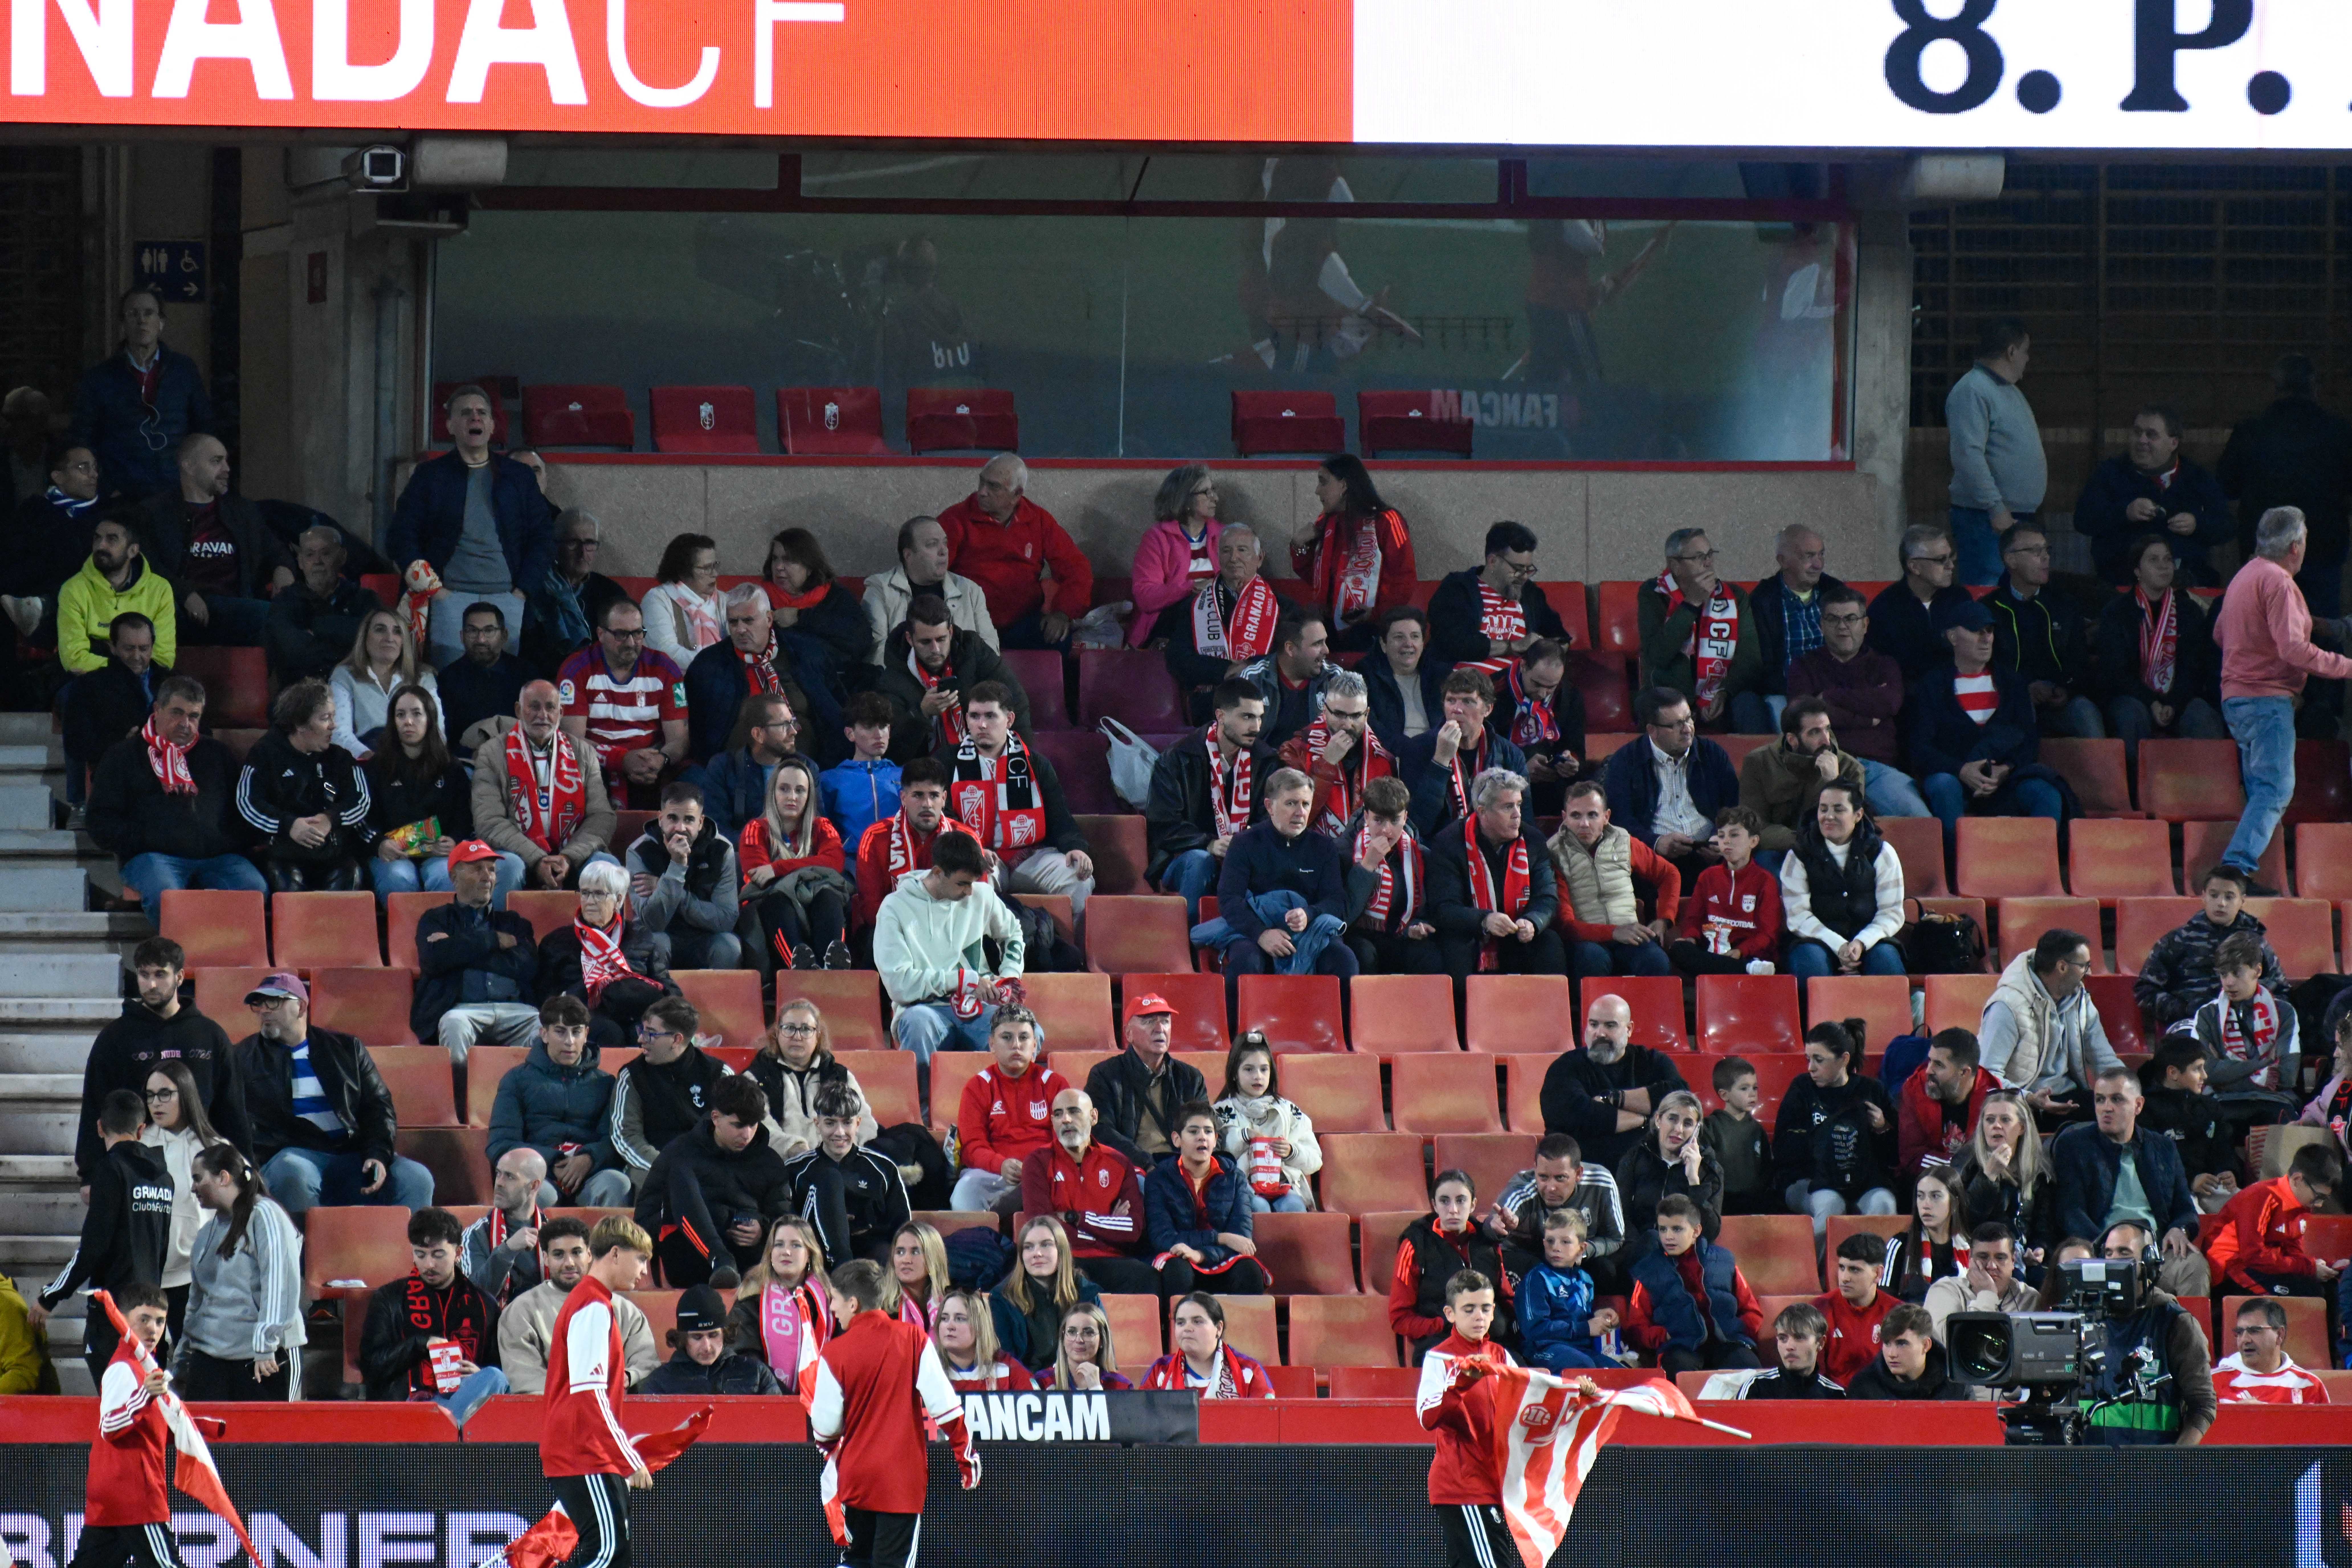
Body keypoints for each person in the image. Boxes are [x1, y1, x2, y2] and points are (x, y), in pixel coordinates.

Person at [812, 1257, 983, 1568]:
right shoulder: (914, 1338)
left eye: (834, 1300)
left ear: (853, 1303)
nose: (832, 1309)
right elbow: (945, 1406)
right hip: (900, 1483)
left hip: (855, 1479)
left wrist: (832, 1447)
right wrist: (966, 1456)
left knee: (856, 1558)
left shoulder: (834, 1352)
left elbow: (823, 1428)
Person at [2216, 507, 2352, 887]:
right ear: (2297, 546)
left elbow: (2220, 634)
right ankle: (2235, 870)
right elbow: (2294, 650)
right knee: (2275, 789)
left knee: (2262, 790)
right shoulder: (2279, 583)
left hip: (2237, 699)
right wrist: (2347, 666)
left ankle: (2238, 871)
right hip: (2266, 700)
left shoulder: (2245, 576)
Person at [231, 971, 433, 1217]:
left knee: (418, 1179)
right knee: (292, 1172)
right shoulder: (242, 1058)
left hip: (351, 1153)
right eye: (259, 1003)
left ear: (301, 1007)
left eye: (273, 1002)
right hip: (291, 1154)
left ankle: (408, 1254)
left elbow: (378, 1105)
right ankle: (308, 1254)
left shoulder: (347, 1049)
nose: (264, 1010)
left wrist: (378, 1154)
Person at [387, 385, 554, 666]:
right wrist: (434, 590)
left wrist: (523, 591)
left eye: (482, 413)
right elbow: (400, 538)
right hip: (448, 599)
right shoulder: (430, 476)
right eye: (466, 413)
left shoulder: (519, 477)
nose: (475, 418)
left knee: (504, 685)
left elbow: (544, 537)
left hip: (509, 598)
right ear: (450, 426)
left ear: (492, 425)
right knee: (452, 684)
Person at [74, 937, 249, 1196]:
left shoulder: (210, 1036)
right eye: (144, 975)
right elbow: (95, 1106)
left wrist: (246, 1167)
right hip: (136, 1164)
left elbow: (232, 1108)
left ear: (180, 977)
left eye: (160, 974)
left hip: (204, 1163)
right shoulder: (115, 1038)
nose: (151, 984)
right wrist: (89, 1174)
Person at [537, 1217, 658, 1568]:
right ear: (616, 1253)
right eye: (641, 1259)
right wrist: (628, 1457)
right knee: (607, 1552)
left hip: (588, 1450)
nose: (645, 1271)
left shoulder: (592, 1302)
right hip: (585, 1451)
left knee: (613, 1553)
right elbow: (590, 1396)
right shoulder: (592, 1306)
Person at [1415, 1268, 1552, 1568]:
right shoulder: (1439, 1357)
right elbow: (1427, 1416)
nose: (1479, 1316)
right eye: (1469, 1309)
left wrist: (1577, 1395)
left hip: (1493, 1483)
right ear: (1450, 1313)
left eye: (1486, 1308)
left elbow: (1533, 1401)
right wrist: (1463, 1380)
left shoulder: (1501, 1355)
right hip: (1463, 1486)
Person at [1906, 595, 2068, 846]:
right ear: (1952, 637)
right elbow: (1919, 747)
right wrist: (1961, 770)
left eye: (1989, 631)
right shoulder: (1932, 685)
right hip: (1954, 778)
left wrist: (2006, 770)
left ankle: (2037, 870)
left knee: (2046, 794)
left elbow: (2029, 738)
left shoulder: (2012, 683)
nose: (1986, 638)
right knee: (1943, 786)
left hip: (2003, 780)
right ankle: (1958, 872)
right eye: (1976, 631)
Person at [36, 1089, 170, 1380]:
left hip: (114, 1312)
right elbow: (162, 1248)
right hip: (151, 1311)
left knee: (116, 1407)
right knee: (140, 1404)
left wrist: (50, 1296)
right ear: (141, 1129)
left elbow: (93, 1247)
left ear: (100, 1127)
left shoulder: (111, 1170)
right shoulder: (164, 1177)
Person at [2053, 1066, 2215, 1299]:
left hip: (2155, 1251)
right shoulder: (2074, 1146)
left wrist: (2179, 1229)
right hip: (2102, 1250)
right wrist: (2105, 1248)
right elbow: (2070, 1211)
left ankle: (2190, 1335)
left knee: (2194, 1266)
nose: (2106, 1108)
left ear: (2138, 1105)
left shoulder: (2163, 1148)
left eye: (2117, 1100)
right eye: (2100, 1100)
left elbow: (2185, 1208)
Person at [1212, 765, 1357, 1012]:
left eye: (1306, 804)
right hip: (1256, 930)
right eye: (1291, 804)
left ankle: (1340, 1037)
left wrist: (1309, 914)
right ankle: (1239, 1039)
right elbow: (1229, 900)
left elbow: (1336, 901)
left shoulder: (1324, 848)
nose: (1301, 813)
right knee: (1247, 961)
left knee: (1345, 960)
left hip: (1310, 930)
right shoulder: (1245, 844)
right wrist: (1261, 934)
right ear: (1269, 806)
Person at [2218, 353, 2352, 618]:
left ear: (2275, 387)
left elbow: (2226, 486)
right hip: (2322, 553)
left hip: (2264, 554)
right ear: (2315, 387)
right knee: (2319, 641)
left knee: (2264, 639)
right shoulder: (2340, 433)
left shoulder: (2250, 431)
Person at [873, 830, 1024, 1063]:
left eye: (973, 883)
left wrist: (1009, 976)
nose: (970, 892)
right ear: (938, 873)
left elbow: (1013, 933)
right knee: (917, 1025)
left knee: (1024, 1035)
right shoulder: (895, 908)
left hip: (978, 1007)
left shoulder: (982, 895)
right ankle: (922, 1100)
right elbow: (899, 985)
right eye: (963, 884)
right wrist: (962, 980)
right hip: (923, 1009)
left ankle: (1005, 1101)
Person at [941, 680, 1094, 910]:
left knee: (1079, 879)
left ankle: (1070, 947)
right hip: (978, 856)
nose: (981, 725)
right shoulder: (947, 762)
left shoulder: (1036, 763)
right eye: (974, 716)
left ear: (1010, 720)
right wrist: (971, 849)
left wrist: (1076, 847)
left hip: (1030, 857)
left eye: (991, 716)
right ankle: (983, 947)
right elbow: (942, 817)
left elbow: (1059, 816)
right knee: (971, 882)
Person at [130, 434, 288, 650]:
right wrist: (186, 594)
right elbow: (148, 565)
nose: (227, 469)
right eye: (216, 462)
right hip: (178, 608)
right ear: (189, 466)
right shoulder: (154, 513)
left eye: (226, 461)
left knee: (281, 617)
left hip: (232, 605)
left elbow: (276, 551)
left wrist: (283, 569)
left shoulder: (243, 512)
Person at [64, 1284, 184, 1568]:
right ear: (125, 1319)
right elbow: (110, 1426)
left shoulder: (143, 1367)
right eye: (144, 1319)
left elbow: (146, 1427)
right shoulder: (124, 1368)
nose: (153, 1329)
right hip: (135, 1495)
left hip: (114, 1495)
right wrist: (145, 1396)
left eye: (159, 1321)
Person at [1787, 586, 1933, 818]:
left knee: (1921, 822)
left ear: (1865, 625)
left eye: (1851, 619)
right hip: (1824, 765)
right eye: (1833, 619)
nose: (1842, 626)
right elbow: (1806, 717)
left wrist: (1830, 697)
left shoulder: (1885, 665)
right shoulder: (1804, 667)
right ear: (1821, 625)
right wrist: (1866, 716)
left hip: (1877, 769)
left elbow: (1889, 704)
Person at [634, 1073, 792, 1289]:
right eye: (738, 1125)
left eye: (753, 1125)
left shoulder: (770, 1162)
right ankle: (719, 1259)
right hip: (688, 1256)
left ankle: (726, 1263)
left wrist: (763, 1231)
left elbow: (783, 1217)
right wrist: (713, 1221)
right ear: (716, 1118)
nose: (747, 1135)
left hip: (749, 1260)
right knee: (681, 1173)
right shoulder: (680, 1153)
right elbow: (645, 1218)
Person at [175, 1144, 305, 1401]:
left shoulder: (266, 1215)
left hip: (263, 1360)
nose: (193, 1188)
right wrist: (183, 1355)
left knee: (264, 1441)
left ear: (223, 1178)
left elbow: (280, 1283)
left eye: (198, 1179)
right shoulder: (206, 1234)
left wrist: (266, 1345)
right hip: (210, 1359)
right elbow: (197, 1302)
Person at [358, 1206, 507, 1422]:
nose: (428, 1265)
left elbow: (500, 1371)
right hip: (408, 1405)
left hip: (465, 1401)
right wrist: (420, 1344)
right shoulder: (390, 1298)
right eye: (421, 1255)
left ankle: (442, 1430)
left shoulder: (484, 1305)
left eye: (438, 1255)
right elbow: (372, 1367)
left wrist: (479, 1374)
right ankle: (442, 1432)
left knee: (495, 1377)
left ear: (458, 1254)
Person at [368, 685, 514, 905]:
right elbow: (364, 819)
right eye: (401, 715)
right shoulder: (376, 767)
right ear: (393, 721)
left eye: (417, 714)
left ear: (430, 718)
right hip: (392, 854)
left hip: (438, 854)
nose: (408, 721)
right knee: (399, 879)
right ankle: (404, 939)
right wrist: (379, 843)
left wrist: (455, 841)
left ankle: (445, 936)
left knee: (445, 877)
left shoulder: (451, 767)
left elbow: (465, 816)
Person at [1146, 678, 1274, 923]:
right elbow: (1163, 825)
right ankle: (1190, 944)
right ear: (1221, 716)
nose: (1256, 727)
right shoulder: (1177, 759)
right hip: (1183, 858)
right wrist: (1209, 844)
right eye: (1247, 717)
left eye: (1260, 717)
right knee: (1201, 861)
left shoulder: (1267, 761)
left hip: (1243, 854)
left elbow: (1271, 820)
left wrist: (1244, 841)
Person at [474, 680, 619, 892]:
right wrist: (537, 860)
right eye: (534, 707)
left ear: (560, 712)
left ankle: (600, 926)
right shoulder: (492, 753)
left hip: (573, 857)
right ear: (518, 710)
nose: (543, 715)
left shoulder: (583, 754)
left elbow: (602, 817)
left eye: (550, 707)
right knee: (509, 867)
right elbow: (488, 821)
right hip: (517, 856)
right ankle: (499, 926)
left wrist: (569, 857)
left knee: (607, 867)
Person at [2096, 534, 2227, 767]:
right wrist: (2153, 703)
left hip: (2178, 697)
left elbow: (2195, 668)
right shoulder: (2117, 612)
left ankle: (2209, 795)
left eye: (2168, 560)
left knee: (2204, 717)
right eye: (2154, 560)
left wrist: (2173, 704)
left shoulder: (2189, 611)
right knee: (2131, 715)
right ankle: (2137, 793)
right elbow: (2116, 673)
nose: (2164, 566)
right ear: (2137, 570)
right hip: (2133, 697)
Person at [485, 996, 630, 1207]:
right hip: (539, 1174)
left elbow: (616, 1140)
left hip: (590, 1173)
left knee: (617, 1183)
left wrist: (589, 1158)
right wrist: (551, 1162)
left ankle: (607, 1242)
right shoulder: (516, 1080)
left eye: (577, 1032)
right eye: (560, 1032)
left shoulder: (606, 1083)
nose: (570, 1041)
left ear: (586, 1034)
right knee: (537, 1193)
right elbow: (501, 1144)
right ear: (544, 1034)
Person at [940, 453, 1093, 650]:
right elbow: (931, 574)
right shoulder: (955, 520)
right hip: (968, 624)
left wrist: (1062, 614)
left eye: (994, 487)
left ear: (1017, 495)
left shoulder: (1039, 520)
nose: (982, 492)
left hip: (1022, 622)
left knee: (1059, 639)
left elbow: (1078, 570)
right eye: (982, 482)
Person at [2082, 1222, 2217, 1444]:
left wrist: (2175, 1461)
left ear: (2149, 1261)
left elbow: (2202, 1405)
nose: (2114, 1261)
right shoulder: (2082, 1320)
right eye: (2108, 1253)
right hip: (2088, 1469)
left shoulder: (2176, 1323)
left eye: (2124, 1253)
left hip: (2153, 1470)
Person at [69, 287, 209, 500]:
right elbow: (83, 437)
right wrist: (107, 487)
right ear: (123, 324)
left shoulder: (183, 371)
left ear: (161, 322)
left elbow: (204, 428)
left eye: (148, 313)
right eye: (133, 314)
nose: (141, 321)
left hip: (175, 489)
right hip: (123, 492)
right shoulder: (100, 378)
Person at [1429, 766, 1564, 986]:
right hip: (1472, 933)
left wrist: (1533, 922)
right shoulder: (1449, 844)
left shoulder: (1533, 840)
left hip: (1518, 931)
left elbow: (1547, 896)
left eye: (1519, 805)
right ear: (1482, 812)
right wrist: (1484, 920)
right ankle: (1465, 1018)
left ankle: (1547, 1018)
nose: (1518, 815)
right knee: (1456, 947)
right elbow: (1444, 908)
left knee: (1549, 943)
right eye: (1508, 807)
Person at [1023, 1086, 1161, 1296]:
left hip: (1109, 1259)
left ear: (1094, 1117)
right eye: (1058, 1115)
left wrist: (1075, 1218)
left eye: (1074, 1111)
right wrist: (1106, 1226)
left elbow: (1133, 1229)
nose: (1066, 1120)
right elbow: (1041, 1225)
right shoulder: (1038, 1161)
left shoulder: (1120, 1163)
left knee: (1147, 1278)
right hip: (1061, 1258)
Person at [235, 679, 371, 891]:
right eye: (325, 718)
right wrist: (289, 826)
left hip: (333, 853)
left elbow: (361, 800)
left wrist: (330, 819)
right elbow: (248, 802)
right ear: (300, 725)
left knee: (350, 876)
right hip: (282, 852)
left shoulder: (340, 758)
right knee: (287, 882)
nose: (333, 726)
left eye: (334, 717)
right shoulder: (265, 754)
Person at [2076, 404, 2234, 585]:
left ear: (2173, 443)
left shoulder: (2198, 477)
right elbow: (2083, 520)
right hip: (2122, 581)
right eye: (2137, 433)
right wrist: (2126, 512)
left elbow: (2227, 525)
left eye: (2151, 435)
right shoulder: (2109, 474)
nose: (2142, 440)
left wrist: (2197, 524)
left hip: (2186, 580)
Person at [497, 1217, 655, 1396]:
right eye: (559, 1255)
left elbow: (647, 1362)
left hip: (618, 1411)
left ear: (589, 1255)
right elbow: (526, 1381)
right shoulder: (520, 1312)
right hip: (549, 1415)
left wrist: (629, 1375)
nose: (569, 1263)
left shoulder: (627, 1311)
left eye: (577, 1252)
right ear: (546, 1259)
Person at [413, 841, 540, 1062]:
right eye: (477, 869)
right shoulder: (435, 919)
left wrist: (459, 949)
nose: (487, 877)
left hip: (516, 1011)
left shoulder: (514, 923)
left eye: (491, 870)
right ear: (454, 878)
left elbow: (527, 966)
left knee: (545, 1028)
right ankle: (459, 1096)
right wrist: (494, 941)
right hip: (461, 1011)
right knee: (454, 1024)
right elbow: (434, 960)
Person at [1602, 686, 1740, 889]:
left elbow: (1734, 806)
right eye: (1676, 725)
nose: (1687, 729)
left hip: (1711, 855)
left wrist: (1721, 837)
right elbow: (1620, 820)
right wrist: (1656, 843)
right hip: (1653, 862)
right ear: (1653, 731)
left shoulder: (1713, 754)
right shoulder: (1625, 762)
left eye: (1688, 719)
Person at [559, 597, 689, 812]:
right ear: (601, 634)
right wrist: (620, 760)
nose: (631, 643)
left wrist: (662, 760)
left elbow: (680, 740)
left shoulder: (666, 669)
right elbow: (572, 741)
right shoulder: (575, 669)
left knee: (694, 779)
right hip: (596, 767)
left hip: (652, 766)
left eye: (638, 633)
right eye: (621, 634)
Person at [684, 583, 832, 769]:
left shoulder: (806, 653)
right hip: (740, 772)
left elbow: (832, 712)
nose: (740, 629)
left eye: (748, 621)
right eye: (734, 622)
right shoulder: (708, 666)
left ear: (769, 619)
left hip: (807, 766)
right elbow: (699, 733)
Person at [1540, 992, 1691, 1172]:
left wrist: (1613, 1099)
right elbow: (1576, 1114)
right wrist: (1646, 1119)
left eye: (1610, 1026)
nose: (1600, 1033)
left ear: (1629, 1029)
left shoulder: (1652, 1062)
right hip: (1583, 1173)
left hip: (1646, 1172)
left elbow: (1680, 1096)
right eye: (1593, 1024)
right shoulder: (1565, 1067)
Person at [1982, 928, 2122, 1123]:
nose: (2089, 972)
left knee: (2128, 1111)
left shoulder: (2080, 1000)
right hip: (2022, 1104)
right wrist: (2029, 1098)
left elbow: (2103, 1058)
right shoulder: (2007, 1006)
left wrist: (2128, 1090)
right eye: (2084, 965)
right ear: (2062, 967)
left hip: (2068, 1097)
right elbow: (1987, 1076)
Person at [1638, 527, 1769, 733]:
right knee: (1654, 706)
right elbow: (1658, 654)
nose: (1708, 563)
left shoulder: (1735, 597)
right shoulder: (1654, 594)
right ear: (1675, 565)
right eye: (1699, 557)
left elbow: (1751, 659)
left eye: (1710, 555)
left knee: (1750, 704)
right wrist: (1692, 603)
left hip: (1721, 695)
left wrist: (1725, 692)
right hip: (1671, 695)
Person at [874, 592, 1030, 766]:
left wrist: (1019, 760)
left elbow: (1015, 700)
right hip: (925, 776)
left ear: (951, 632)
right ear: (910, 639)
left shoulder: (973, 650)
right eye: (926, 642)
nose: (936, 649)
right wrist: (922, 714)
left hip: (984, 761)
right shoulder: (893, 679)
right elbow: (890, 751)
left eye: (941, 639)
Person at [1774, 1020, 1898, 1237]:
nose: (1810, 1068)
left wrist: (1882, 1128)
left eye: (1819, 1060)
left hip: (1863, 1182)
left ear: (1844, 1060)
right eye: (1809, 1059)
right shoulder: (1802, 1089)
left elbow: (1894, 1157)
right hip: (1810, 1180)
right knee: (1831, 1206)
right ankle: (1819, 1272)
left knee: (1885, 1205)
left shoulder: (1872, 1090)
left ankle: (1876, 1270)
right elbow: (1784, 1149)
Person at [1945, 317, 2045, 585]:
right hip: (1988, 519)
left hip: (2009, 517)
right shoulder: (1973, 390)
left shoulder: (2008, 391)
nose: (2027, 359)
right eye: (2025, 352)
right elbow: (1968, 455)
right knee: (1987, 589)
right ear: (2012, 352)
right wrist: (1995, 507)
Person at [1547, 777, 1676, 980]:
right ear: (1564, 818)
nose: (1584, 824)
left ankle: (1644, 1013)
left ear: (1606, 817)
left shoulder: (1624, 841)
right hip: (1586, 940)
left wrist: (1664, 919)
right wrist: (1614, 932)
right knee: (1593, 960)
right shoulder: (1553, 853)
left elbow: (1669, 875)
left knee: (1657, 961)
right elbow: (1566, 925)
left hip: (1630, 934)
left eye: (1593, 815)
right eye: (1576, 816)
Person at [536, 859, 672, 1047]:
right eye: (585, 893)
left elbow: (666, 987)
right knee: (610, 1033)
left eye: (599, 894)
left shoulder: (641, 937)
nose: (590, 901)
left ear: (619, 899)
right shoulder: (557, 942)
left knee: (643, 1034)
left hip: (634, 1014)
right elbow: (543, 997)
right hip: (580, 1018)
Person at [1779, 781, 1906, 979]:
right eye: (1824, 809)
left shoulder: (1882, 853)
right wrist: (1839, 946)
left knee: (1886, 960)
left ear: (1858, 815)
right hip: (1817, 940)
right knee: (1810, 964)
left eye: (1839, 810)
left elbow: (1891, 913)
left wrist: (1861, 943)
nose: (1829, 817)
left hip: (1869, 941)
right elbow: (1798, 916)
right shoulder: (1799, 855)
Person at [1625, 1193, 1762, 1375]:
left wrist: (1740, 1329)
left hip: (1729, 1342)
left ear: (1696, 1231)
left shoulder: (1724, 1261)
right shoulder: (1648, 1271)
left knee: (1748, 1367)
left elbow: (1752, 1310)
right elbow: (1637, 1326)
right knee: (1679, 1368)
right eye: (1663, 1229)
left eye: (1677, 1229)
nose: (1668, 1237)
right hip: (1680, 1346)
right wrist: (1662, 1336)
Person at [1987, 523, 2102, 739]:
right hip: (2008, 703)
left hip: (2059, 699)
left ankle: (2108, 773)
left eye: (2047, 550)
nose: (2046, 557)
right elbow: (1988, 668)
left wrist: (2066, 689)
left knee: (2085, 712)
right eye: (2035, 551)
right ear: (2010, 560)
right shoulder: (1990, 609)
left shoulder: (2065, 604)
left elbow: (2080, 661)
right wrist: (2024, 690)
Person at [949, 1004, 1068, 1213]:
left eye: (1024, 1038)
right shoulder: (977, 1087)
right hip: (995, 1174)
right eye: (1007, 1038)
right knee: (965, 1192)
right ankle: (983, 1244)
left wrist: (1038, 1168)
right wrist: (1001, 1165)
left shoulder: (1055, 1084)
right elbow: (972, 1146)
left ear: (1034, 1044)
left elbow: (1066, 1140)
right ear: (992, 1044)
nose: (1016, 1045)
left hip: (1047, 1172)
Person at [734, 755, 849, 971]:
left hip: (814, 902)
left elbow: (834, 862)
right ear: (772, 794)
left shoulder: (822, 826)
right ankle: (800, 968)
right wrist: (812, 867)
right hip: (771, 908)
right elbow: (759, 878)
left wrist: (778, 868)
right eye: (784, 789)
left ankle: (834, 967)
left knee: (828, 895)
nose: (792, 797)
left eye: (800, 790)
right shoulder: (756, 829)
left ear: (809, 796)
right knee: (777, 898)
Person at [1147, 1100, 1272, 1297]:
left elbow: (1241, 1239)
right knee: (1177, 1270)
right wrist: (1220, 1238)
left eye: (1208, 1132)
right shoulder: (1158, 1179)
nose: (1202, 1138)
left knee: (1249, 1270)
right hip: (1180, 1257)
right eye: (1194, 1132)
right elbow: (1162, 1238)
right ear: (1177, 1139)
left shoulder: (1234, 1177)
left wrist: (1203, 1255)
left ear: (1216, 1139)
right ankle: (1174, 1327)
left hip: (1220, 1258)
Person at [1291, 454, 1415, 651]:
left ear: (1344, 485)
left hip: (1372, 626)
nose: (1317, 491)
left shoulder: (1386, 520)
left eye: (1323, 482)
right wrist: (1298, 544)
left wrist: (1376, 613)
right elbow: (1314, 576)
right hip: (1328, 625)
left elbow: (1404, 578)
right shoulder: (1326, 522)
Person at [1390, 1168, 1513, 1361]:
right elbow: (1400, 1318)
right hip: (1440, 1345)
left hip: (1490, 1343)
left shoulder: (1488, 1242)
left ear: (1473, 1205)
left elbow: (1507, 1300)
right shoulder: (1415, 1244)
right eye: (1445, 1201)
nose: (1453, 1210)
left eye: (1461, 1200)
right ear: (1434, 1205)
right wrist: (1444, 1324)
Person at [138, 1061, 224, 1337]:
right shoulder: (137, 1146)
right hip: (147, 1278)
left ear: (185, 1093)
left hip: (199, 1277)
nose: (156, 1103)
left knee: (195, 1365)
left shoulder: (216, 1150)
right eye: (150, 1095)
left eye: (165, 1094)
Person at [2202, 1141, 2342, 1309]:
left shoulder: (2302, 1205)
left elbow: (2293, 1250)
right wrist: (2309, 1267)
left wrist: (2317, 1265)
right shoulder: (2260, 1197)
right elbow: (2253, 1256)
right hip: (2231, 1271)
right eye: (2319, 1197)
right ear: (2298, 1180)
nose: (2319, 1205)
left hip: (2262, 1268)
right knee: (2310, 1292)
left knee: (2332, 1289)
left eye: (2324, 1199)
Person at [620, 780, 742, 971]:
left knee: (729, 947)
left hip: (705, 936)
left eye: (689, 820)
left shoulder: (722, 850)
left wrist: (670, 889)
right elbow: (653, 922)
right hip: (662, 935)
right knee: (654, 944)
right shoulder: (639, 852)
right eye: (673, 818)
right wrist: (677, 866)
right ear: (661, 819)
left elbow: (726, 920)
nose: (680, 828)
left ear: (701, 822)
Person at [2186, 929, 2302, 1126]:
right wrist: (2262, 1063)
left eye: (2237, 973)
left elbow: (2287, 1076)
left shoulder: (2284, 1012)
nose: (2229, 982)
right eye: (2224, 974)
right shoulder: (2206, 1015)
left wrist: (2226, 1075)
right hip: (2222, 1104)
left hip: (2273, 1103)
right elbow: (2208, 1073)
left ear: (2257, 971)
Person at [1487, 1133, 1628, 1292]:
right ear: (1535, 1169)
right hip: (1530, 1255)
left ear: (1579, 1174)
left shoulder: (1602, 1182)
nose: (1551, 1187)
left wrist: (1582, 1251)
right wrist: (1500, 1226)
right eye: (1543, 1177)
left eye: (1560, 1178)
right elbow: (1491, 1226)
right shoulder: (1523, 1189)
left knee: (1605, 1270)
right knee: (1538, 1273)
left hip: (1578, 1254)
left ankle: (1597, 1313)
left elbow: (1616, 1238)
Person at [1401, 666, 1528, 840]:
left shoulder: (1511, 755)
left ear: (1488, 709)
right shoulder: (1417, 749)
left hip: (1493, 848)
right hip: (1439, 852)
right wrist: (1440, 762)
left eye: (1468, 701)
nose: (1457, 709)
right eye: (1451, 700)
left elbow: (1525, 822)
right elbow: (1418, 825)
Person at [1084, 991, 1208, 1167]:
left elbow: (1206, 1128)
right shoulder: (1105, 1076)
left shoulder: (1191, 1078)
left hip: (1183, 1168)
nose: (1160, 1029)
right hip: (1131, 1168)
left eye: (1166, 1021)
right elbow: (1102, 1132)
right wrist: (1146, 1164)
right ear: (1129, 1034)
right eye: (1149, 1021)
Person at [1340, 775, 1446, 977]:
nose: (1386, 830)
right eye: (1378, 820)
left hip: (1401, 937)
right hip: (1359, 938)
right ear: (1366, 816)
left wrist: (1415, 928)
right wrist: (1367, 866)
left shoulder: (1421, 855)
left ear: (1406, 818)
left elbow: (1430, 909)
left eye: (1395, 821)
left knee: (1430, 956)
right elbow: (1344, 917)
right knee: (1363, 954)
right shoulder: (1343, 852)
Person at [1738, 698, 1866, 856]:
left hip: (1828, 851)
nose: (1826, 740)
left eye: (1827, 729)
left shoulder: (1850, 768)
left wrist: (1834, 783)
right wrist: (1800, 841)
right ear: (1793, 740)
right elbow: (1753, 825)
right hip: (1778, 849)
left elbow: (1856, 829)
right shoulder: (1759, 762)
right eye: (1815, 732)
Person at [1281, 669, 1400, 838]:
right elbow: (1292, 822)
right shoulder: (1296, 751)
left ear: (1366, 714)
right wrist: (1327, 763)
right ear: (1325, 710)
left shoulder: (1384, 759)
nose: (1347, 724)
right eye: (1339, 714)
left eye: (1356, 716)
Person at [1427, 520, 1567, 665]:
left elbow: (1559, 637)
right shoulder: (1457, 589)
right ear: (1493, 561)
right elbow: (1453, 642)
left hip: (1520, 682)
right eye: (1518, 569)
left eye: (1528, 569)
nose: (1525, 576)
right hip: (1466, 682)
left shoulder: (1530, 594)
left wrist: (1550, 647)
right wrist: (1514, 646)